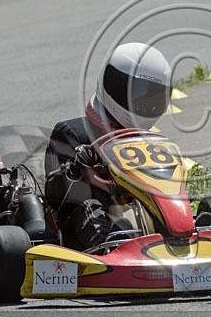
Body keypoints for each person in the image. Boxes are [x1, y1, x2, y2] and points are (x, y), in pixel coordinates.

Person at [44, 42, 172, 250]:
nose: (146, 103)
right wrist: (76, 168)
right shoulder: (73, 133)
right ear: (114, 85)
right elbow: (55, 197)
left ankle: (187, 236)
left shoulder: (149, 140)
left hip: (137, 216)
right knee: (93, 210)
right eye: (139, 94)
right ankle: (108, 252)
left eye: (153, 96)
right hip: (80, 229)